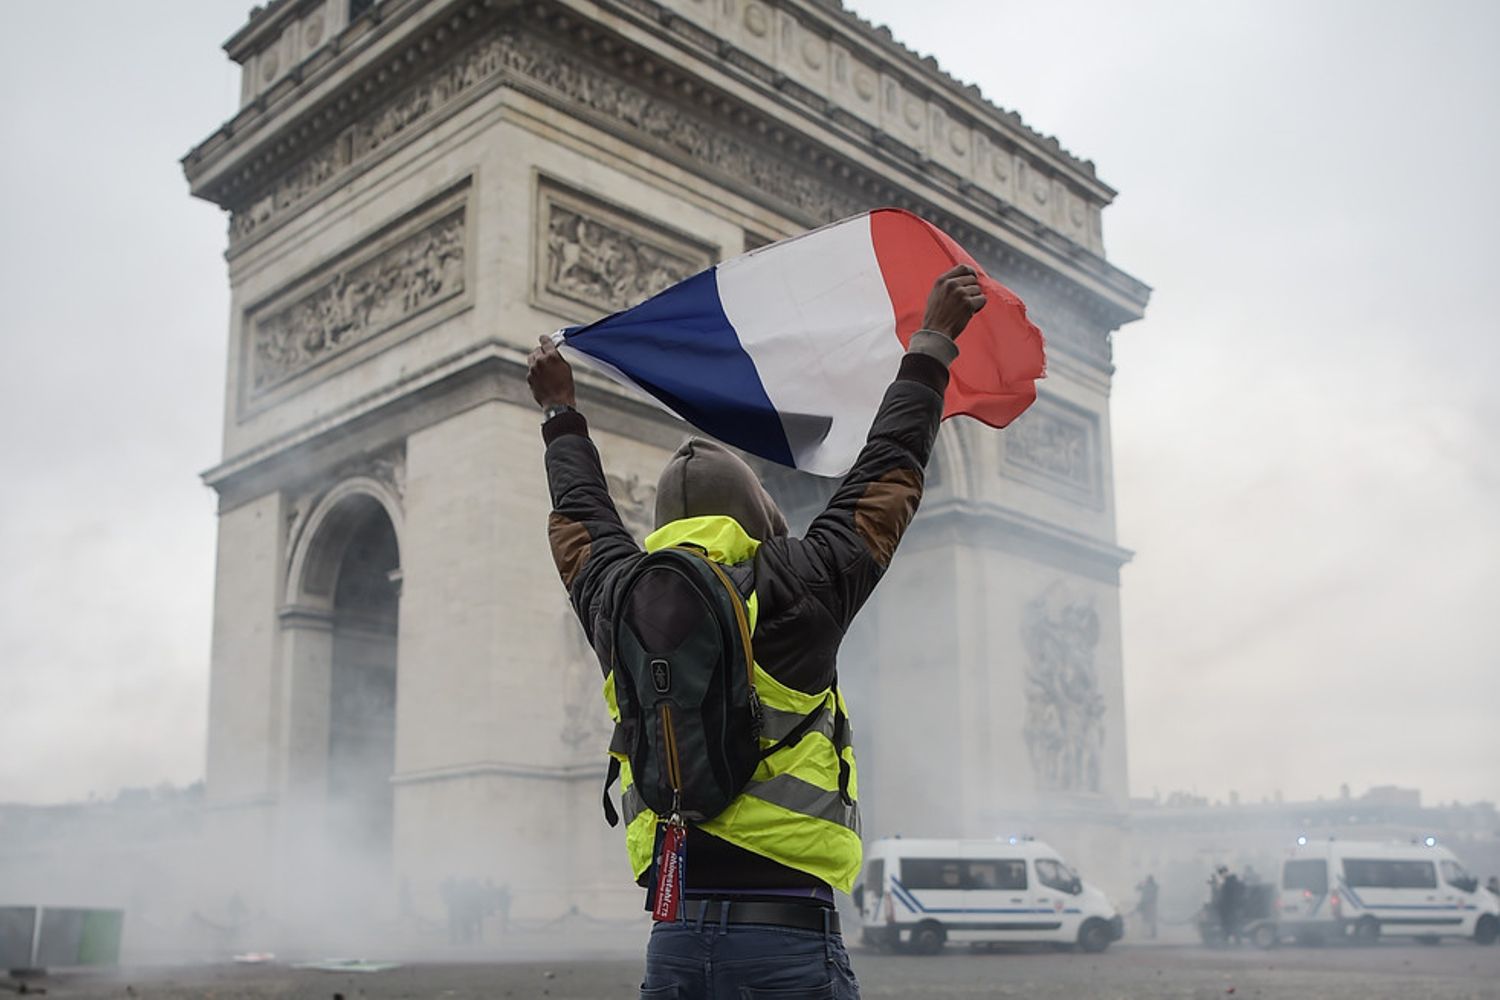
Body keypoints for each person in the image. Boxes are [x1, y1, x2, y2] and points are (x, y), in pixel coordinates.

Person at [529, 265, 987, 999]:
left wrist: (560, 415)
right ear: (756, 516)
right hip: (787, 935)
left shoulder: (617, 597)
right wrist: (930, 344)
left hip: (674, 935)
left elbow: (580, 516)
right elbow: (888, 472)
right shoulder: (802, 584)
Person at [1217, 866, 1244, 945]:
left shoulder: (1227, 884)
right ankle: (1237, 942)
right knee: (1235, 925)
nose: (1221, 875)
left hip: (1229, 909)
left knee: (1228, 926)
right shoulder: (1237, 883)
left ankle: (1226, 942)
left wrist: (1219, 905)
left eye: (1221, 873)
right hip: (1237, 907)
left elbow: (1224, 898)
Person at [1134, 874, 1159, 940]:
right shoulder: (1148, 886)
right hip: (1146, 904)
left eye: (1148, 879)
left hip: (1150, 904)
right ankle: (1146, 933)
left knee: (1151, 919)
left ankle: (1152, 933)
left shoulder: (1154, 886)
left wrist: (1141, 884)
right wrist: (1140, 883)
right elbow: (1137, 888)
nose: (1148, 881)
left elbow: (1152, 895)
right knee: (1145, 919)